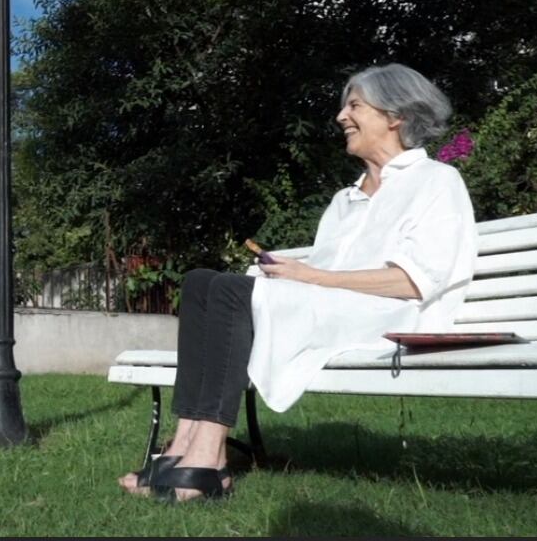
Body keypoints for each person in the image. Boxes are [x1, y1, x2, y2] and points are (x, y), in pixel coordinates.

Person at [119, 63, 476, 503]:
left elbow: (412, 282)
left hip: (389, 314)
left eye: (355, 105)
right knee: (200, 282)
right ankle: (180, 448)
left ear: (395, 115)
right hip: (334, 307)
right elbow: (319, 277)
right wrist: (287, 273)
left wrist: (310, 276)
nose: (341, 116)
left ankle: (209, 459)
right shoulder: (346, 197)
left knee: (229, 292)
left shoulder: (437, 181)